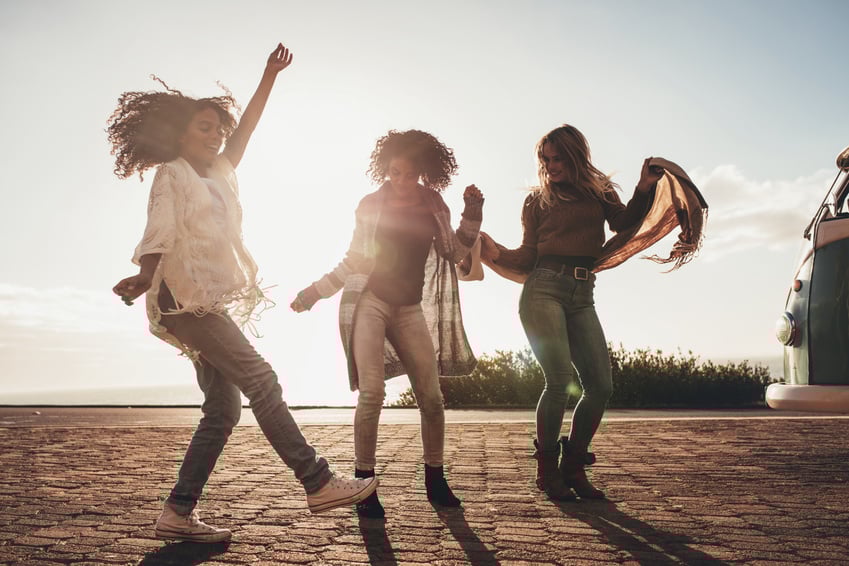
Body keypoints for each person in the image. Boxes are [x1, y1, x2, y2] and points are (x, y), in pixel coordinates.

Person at [108, 43, 377, 543]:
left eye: (217, 129)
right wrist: (146, 275)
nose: (214, 136)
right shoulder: (173, 173)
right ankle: (316, 481)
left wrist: (269, 76)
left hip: (205, 301)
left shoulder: (220, 172)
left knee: (224, 409)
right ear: (179, 133)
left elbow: (247, 128)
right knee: (263, 379)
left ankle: (178, 512)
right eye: (203, 127)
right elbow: (160, 227)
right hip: (186, 303)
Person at [290, 129, 483, 518]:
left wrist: (472, 215)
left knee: (431, 396)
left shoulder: (434, 205)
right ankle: (364, 485)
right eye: (394, 172)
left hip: (409, 308)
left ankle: (435, 478)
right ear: (386, 169)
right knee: (372, 393)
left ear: (423, 172)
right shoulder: (370, 205)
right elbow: (354, 260)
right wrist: (314, 293)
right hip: (371, 303)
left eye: (409, 174)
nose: (401, 181)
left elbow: (455, 251)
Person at [478, 124, 664, 502]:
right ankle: (547, 471)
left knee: (601, 386)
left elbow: (624, 222)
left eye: (557, 157)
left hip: (583, 293)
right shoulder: (537, 200)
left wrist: (645, 188)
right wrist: (496, 252)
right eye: (545, 159)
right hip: (543, 289)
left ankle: (573, 466)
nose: (550, 165)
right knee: (559, 381)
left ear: (575, 155)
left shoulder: (600, 191)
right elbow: (529, 255)